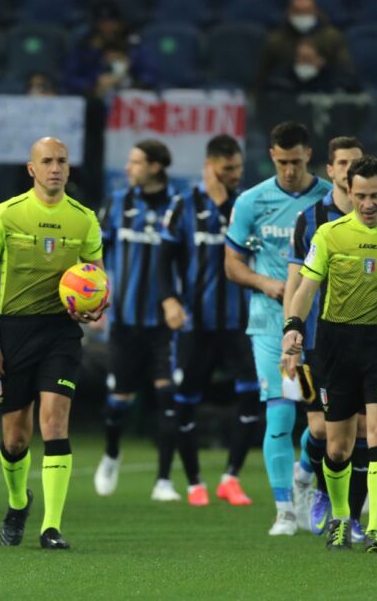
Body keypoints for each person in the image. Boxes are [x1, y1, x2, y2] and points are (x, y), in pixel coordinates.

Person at [283, 155, 377, 554]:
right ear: (348, 191)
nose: (367, 203)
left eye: (375, 195)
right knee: (337, 447)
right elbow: (306, 288)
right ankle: (342, 518)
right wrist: (293, 327)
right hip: (336, 345)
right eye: (360, 195)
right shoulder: (329, 235)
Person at [0, 136, 104, 550]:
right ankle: (17, 503)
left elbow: (96, 279)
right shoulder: (6, 215)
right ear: (31, 169)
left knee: (54, 422)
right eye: (47, 161)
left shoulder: (84, 219)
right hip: (13, 333)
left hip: (61, 332)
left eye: (62, 160)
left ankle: (51, 526)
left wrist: (96, 306)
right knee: (15, 439)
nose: (55, 168)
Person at [225, 121, 331, 536]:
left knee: (321, 425)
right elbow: (231, 263)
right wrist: (265, 282)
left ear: (309, 154)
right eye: (282, 162)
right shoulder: (252, 201)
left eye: (296, 161)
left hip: (320, 329)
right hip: (272, 329)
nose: (289, 170)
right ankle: (285, 510)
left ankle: (305, 476)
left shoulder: (327, 200)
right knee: (280, 415)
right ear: (272, 156)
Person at [158, 135, 260, 508]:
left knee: (251, 395)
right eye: (229, 168)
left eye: (239, 168)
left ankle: (230, 478)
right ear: (211, 165)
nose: (236, 174)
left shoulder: (247, 206)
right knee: (184, 400)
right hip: (194, 323)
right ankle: (194, 482)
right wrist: (168, 299)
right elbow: (163, 260)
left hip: (238, 322)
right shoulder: (183, 205)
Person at [93, 140, 185, 502]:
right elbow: (96, 254)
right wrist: (98, 301)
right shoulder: (117, 202)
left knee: (167, 396)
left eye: (136, 162)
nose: (129, 167)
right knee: (119, 400)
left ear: (156, 166)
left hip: (165, 322)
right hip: (126, 321)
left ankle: (163, 480)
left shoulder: (179, 206)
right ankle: (112, 454)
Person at [285, 136, 362, 536]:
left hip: (361, 342)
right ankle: (309, 481)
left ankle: (349, 512)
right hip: (314, 340)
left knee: (357, 433)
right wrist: (290, 334)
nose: (349, 170)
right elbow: (294, 281)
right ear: (330, 170)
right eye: (342, 163)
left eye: (356, 162)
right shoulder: (310, 218)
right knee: (318, 430)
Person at [258, 0, 353, 88]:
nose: (303, 16)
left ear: (315, 11)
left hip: (324, 90)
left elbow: (345, 71)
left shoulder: (333, 38)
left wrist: (323, 67)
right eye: (298, 11)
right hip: (285, 91)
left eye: (307, 11)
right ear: (289, 12)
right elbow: (263, 75)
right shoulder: (275, 41)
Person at [64, 0, 158, 96]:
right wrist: (94, 84)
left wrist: (132, 84)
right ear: (95, 24)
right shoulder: (85, 46)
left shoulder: (133, 44)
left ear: (120, 23)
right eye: (103, 23)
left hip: (129, 97)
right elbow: (70, 78)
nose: (107, 28)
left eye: (112, 22)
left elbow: (150, 74)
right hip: (94, 100)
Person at [264, 39, 360, 94]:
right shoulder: (281, 80)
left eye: (308, 59)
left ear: (320, 60)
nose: (304, 63)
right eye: (301, 58)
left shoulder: (336, 80)